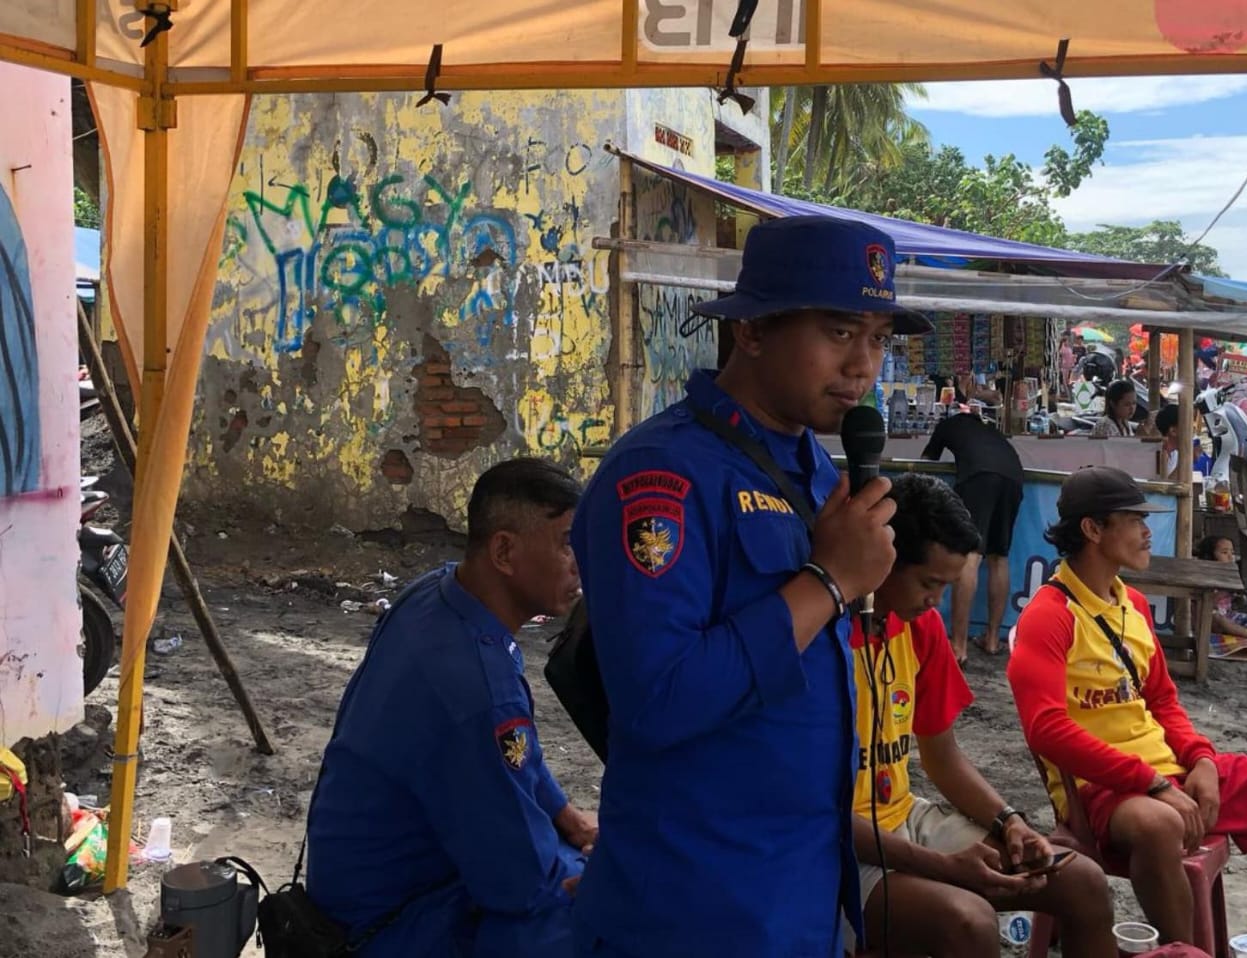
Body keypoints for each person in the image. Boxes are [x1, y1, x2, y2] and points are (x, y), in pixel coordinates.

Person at [569, 215, 924, 958]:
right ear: (753, 331)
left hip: (798, 886)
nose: (863, 365)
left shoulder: (813, 470)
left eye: (878, 337)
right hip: (695, 903)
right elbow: (657, 699)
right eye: (839, 332)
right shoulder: (662, 476)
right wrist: (828, 581)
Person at [1006, 467, 1247, 948]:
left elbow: (1162, 701)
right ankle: (1184, 951)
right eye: (1134, 520)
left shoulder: (1132, 603)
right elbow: (1046, 729)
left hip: (1168, 772)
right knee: (1161, 824)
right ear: (1092, 529)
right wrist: (1150, 783)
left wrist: (1202, 759)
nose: (1147, 531)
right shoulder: (1049, 615)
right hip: (1103, 790)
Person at [307, 458, 593, 956]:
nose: (580, 562)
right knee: (611, 914)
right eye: (567, 543)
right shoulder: (477, 690)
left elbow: (517, 759)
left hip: (356, 886)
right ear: (504, 551)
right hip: (389, 924)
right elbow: (521, 885)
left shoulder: (438, 593)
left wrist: (566, 815)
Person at [846, 473, 1118, 958]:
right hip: (834, 850)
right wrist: (943, 868)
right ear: (883, 558)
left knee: (1083, 882)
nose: (936, 602)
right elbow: (817, 814)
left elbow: (943, 759)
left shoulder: (921, 628)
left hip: (904, 818)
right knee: (968, 921)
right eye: (929, 583)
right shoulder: (823, 638)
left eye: (946, 587)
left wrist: (1009, 822)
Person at [922, 411, 1024, 662]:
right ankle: (992, 640)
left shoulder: (947, 425)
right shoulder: (990, 431)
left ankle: (958, 646)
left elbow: (925, 464)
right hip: (1014, 477)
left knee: (970, 555)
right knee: (999, 556)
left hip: (979, 476)